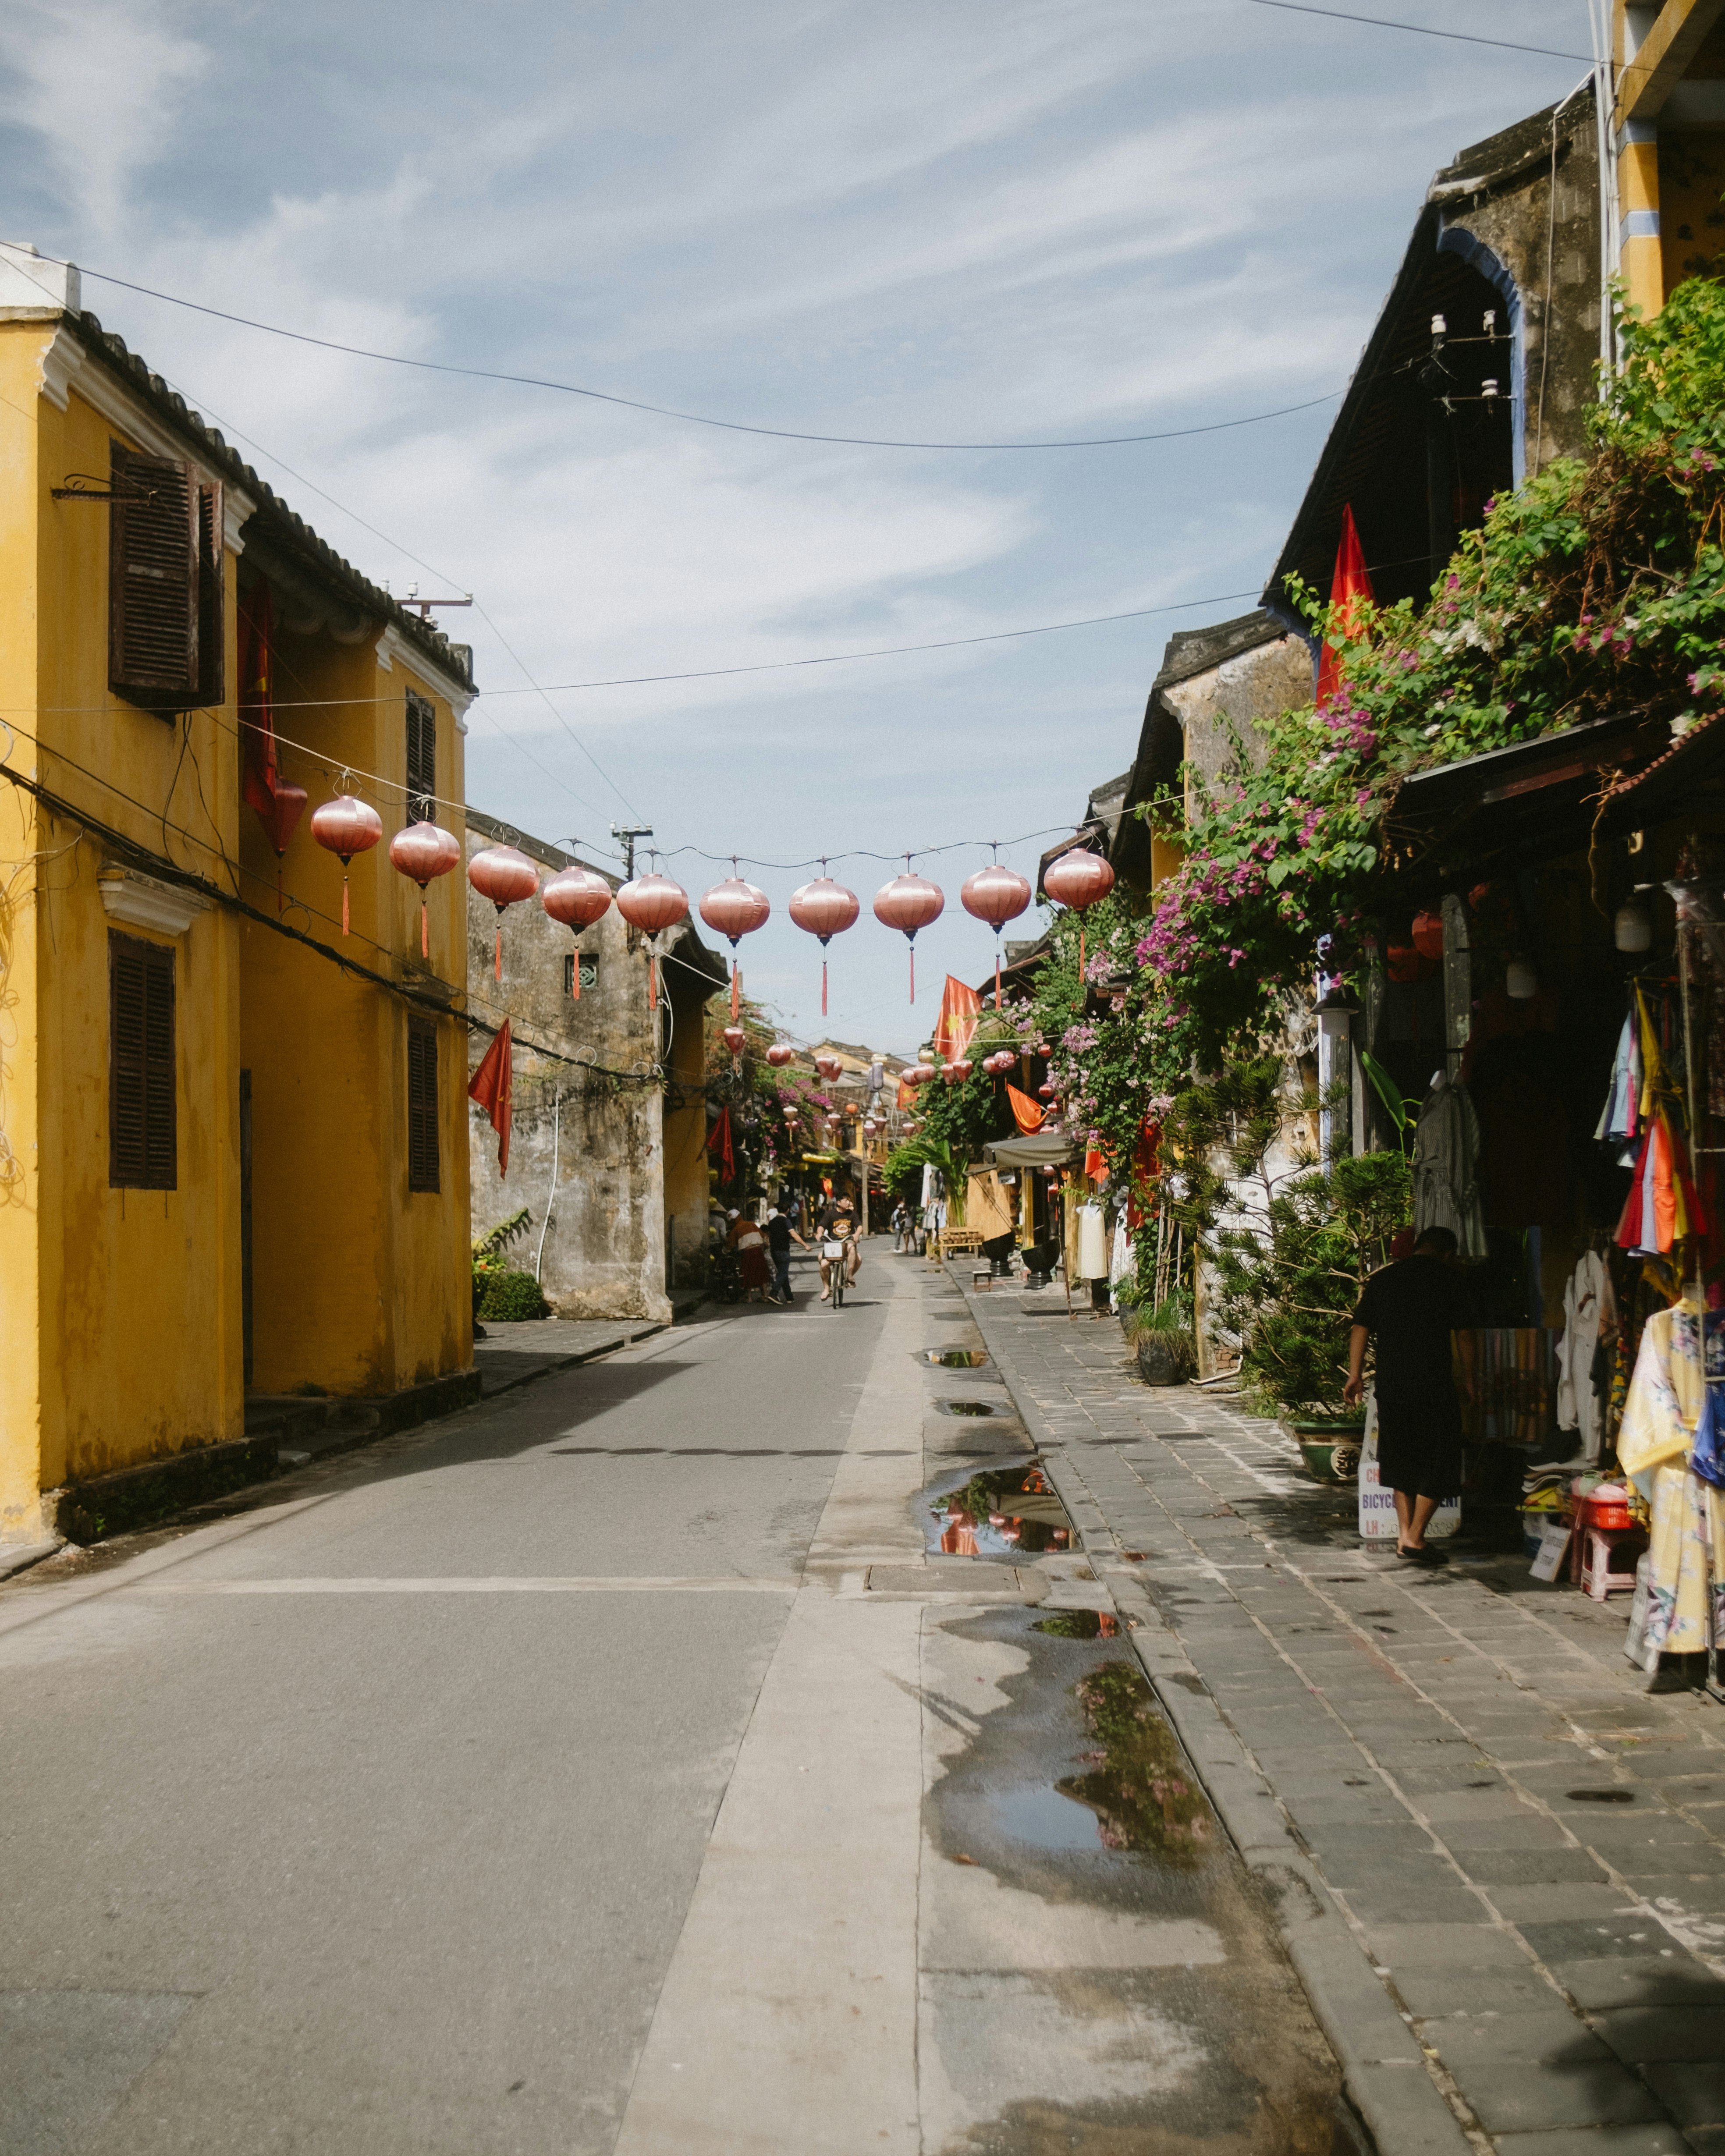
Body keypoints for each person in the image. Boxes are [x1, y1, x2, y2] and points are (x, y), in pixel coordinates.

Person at [1344, 1225, 1477, 1566]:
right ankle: (1415, 1537)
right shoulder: (1450, 1280)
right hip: (1433, 1386)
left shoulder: (1385, 1280)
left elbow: (1360, 1327)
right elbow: (1464, 1335)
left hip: (1392, 1386)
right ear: (1448, 1253)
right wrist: (1471, 1379)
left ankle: (1405, 1535)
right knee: (1441, 1457)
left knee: (1399, 1458)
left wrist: (1355, 1374)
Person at [726, 1209, 773, 1304]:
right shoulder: (752, 1224)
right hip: (759, 1251)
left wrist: (723, 1252)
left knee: (748, 1273)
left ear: (733, 1220)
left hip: (747, 1253)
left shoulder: (736, 1230)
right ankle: (765, 1296)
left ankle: (749, 1298)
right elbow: (764, 1236)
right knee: (762, 1272)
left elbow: (729, 1245)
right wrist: (765, 1246)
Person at [764, 1207, 807, 1305]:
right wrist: (805, 1245)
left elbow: (769, 1235)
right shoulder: (786, 1221)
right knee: (783, 1273)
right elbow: (793, 1234)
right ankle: (774, 1293)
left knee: (783, 1273)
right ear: (788, 1210)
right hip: (784, 1250)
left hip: (774, 1251)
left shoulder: (772, 1222)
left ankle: (789, 1297)